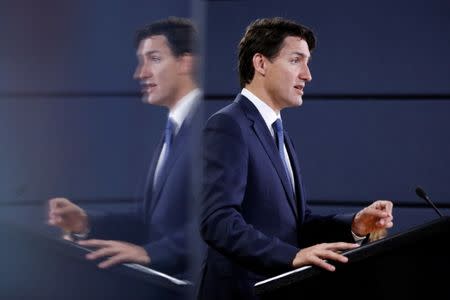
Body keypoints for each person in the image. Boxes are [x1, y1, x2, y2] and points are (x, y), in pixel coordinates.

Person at [198, 17, 393, 300]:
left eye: (307, 62)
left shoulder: (279, 134)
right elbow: (218, 221)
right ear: (261, 64)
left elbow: (296, 226)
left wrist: (355, 224)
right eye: (296, 60)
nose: (307, 75)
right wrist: (293, 256)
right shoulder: (228, 125)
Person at [48, 17, 202, 280]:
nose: (140, 73)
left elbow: (226, 221)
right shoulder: (174, 131)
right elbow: (150, 221)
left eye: (153, 59)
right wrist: (85, 222)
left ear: (185, 62)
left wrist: (152, 254)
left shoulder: (214, 125)